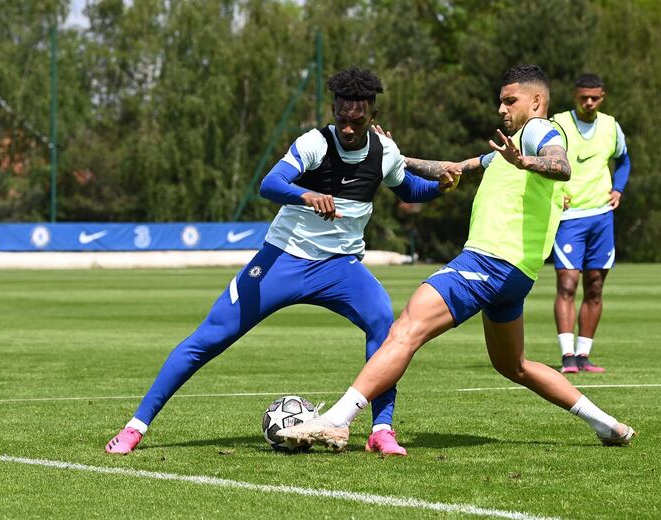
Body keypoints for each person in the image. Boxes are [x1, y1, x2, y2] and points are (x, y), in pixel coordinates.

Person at [275, 64, 635, 453]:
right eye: (500, 100)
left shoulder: (537, 131)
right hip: (516, 275)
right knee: (513, 366)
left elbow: (560, 165)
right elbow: (453, 169)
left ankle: (336, 421)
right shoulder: (508, 147)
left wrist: (527, 162)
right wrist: (392, 153)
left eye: (510, 100)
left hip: (489, 262)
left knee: (405, 329)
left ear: (537, 101)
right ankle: (606, 424)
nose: (501, 108)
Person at [105, 68, 458, 456]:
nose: (349, 128)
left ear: (372, 113)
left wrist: (439, 187)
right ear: (334, 111)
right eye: (342, 118)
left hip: (341, 268)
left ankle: (381, 430)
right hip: (282, 261)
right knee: (209, 338)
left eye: (357, 120)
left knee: (383, 325)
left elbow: (408, 189)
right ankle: (135, 428)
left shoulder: (385, 151)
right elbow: (270, 184)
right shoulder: (314, 143)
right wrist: (306, 195)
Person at [551, 74, 631, 374]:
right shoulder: (559, 124)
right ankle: (567, 355)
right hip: (569, 218)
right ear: (574, 96)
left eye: (594, 98)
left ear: (602, 97)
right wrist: (555, 193)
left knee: (595, 285)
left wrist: (618, 188)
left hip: (601, 216)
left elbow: (624, 160)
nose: (588, 103)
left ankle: (584, 356)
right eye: (584, 97)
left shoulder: (611, 126)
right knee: (567, 283)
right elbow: (540, 161)